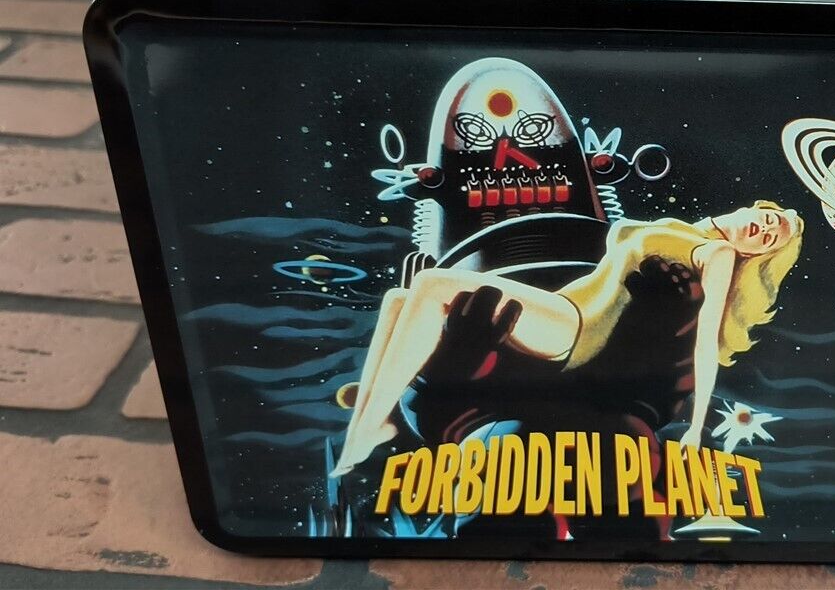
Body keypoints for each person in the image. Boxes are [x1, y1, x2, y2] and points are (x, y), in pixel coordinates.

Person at [332, 200, 803, 477]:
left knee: (433, 285)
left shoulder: (718, 253)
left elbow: (704, 339)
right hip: (564, 306)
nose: (762, 230)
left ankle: (367, 430)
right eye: (768, 220)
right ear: (754, 208)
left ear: (754, 255)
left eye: (769, 239)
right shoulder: (684, 231)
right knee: (398, 298)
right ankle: (378, 421)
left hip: (578, 327)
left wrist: (697, 428)